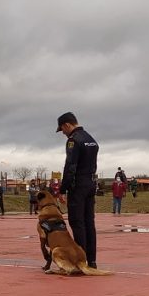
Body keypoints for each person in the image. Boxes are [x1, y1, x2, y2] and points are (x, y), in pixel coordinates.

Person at [56, 111, 99, 267]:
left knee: (77, 222)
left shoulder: (73, 141)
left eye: (62, 129)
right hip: (91, 183)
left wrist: (63, 189)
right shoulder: (91, 139)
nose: (63, 133)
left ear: (67, 125)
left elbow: (71, 167)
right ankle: (92, 261)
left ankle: (80, 261)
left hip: (78, 187)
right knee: (89, 223)